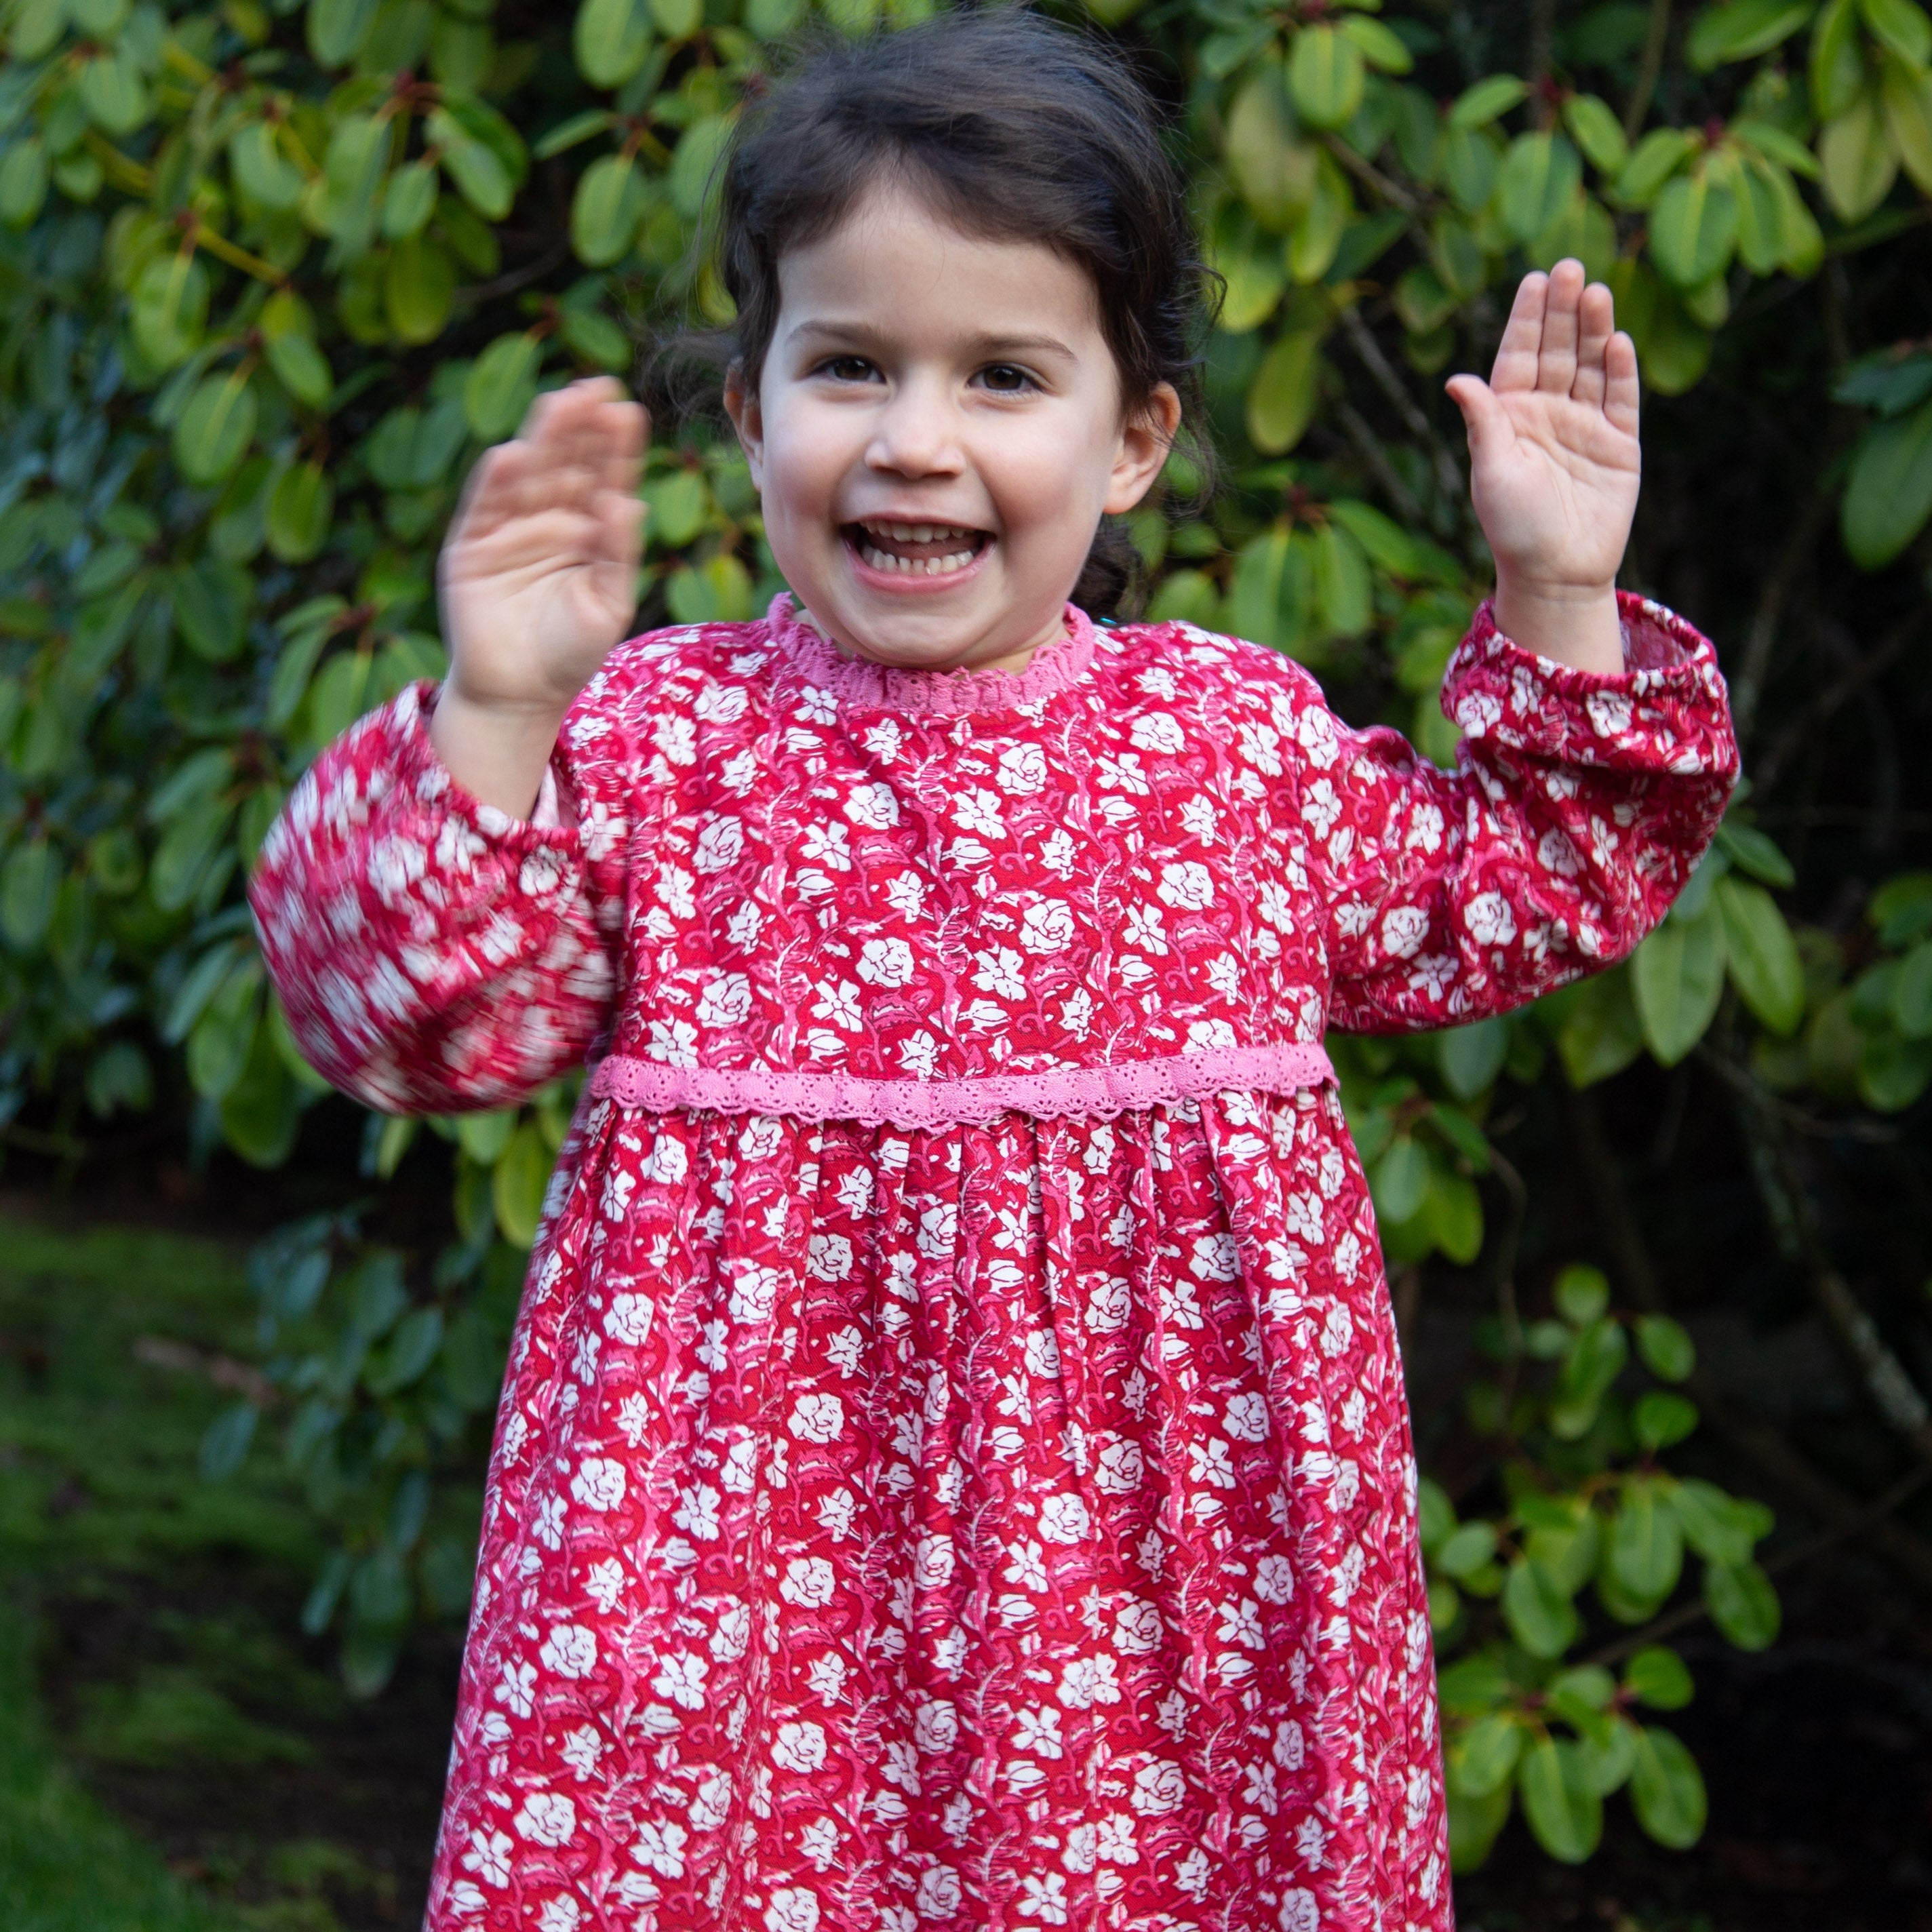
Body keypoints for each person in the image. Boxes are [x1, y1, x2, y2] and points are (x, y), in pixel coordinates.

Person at [250, 12, 1738, 1929]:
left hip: (1159, 1640)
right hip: (725, 1631)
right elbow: (411, 1011)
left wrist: (1553, 587)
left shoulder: (1229, 752)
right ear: (749, 409)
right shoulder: (645, 745)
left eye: (1002, 372)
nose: (914, 438)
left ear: (1131, 443)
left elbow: (1539, 872)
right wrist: (497, 705)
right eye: (848, 361)